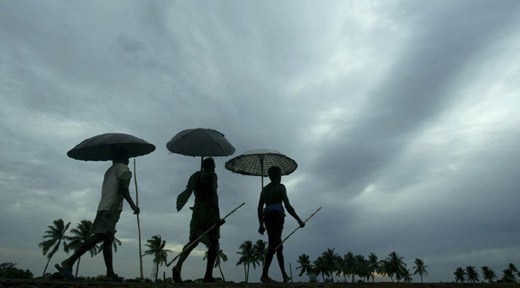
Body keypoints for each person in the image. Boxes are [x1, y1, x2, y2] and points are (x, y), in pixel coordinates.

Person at [55, 149, 139, 281]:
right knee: (100, 235)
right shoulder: (123, 168)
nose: (128, 159)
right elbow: (123, 189)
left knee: (108, 240)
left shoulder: (110, 170)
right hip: (110, 209)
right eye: (127, 156)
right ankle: (69, 262)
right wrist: (133, 205)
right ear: (122, 157)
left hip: (105, 207)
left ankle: (110, 274)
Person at [172, 157, 223, 283]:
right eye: (214, 165)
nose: (215, 167)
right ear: (209, 166)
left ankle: (178, 265)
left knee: (193, 240)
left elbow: (190, 192)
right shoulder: (211, 176)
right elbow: (213, 196)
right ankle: (208, 275)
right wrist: (217, 217)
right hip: (208, 212)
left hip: (197, 212)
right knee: (214, 242)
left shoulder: (195, 176)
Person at [257, 165, 305, 283]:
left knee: (277, 245)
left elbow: (259, 208)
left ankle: (283, 275)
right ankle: (265, 275)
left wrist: (261, 224)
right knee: (275, 245)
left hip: (267, 217)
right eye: (280, 175)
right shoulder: (281, 187)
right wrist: (298, 219)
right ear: (277, 176)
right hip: (277, 217)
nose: (280, 177)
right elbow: (287, 206)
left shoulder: (264, 189)